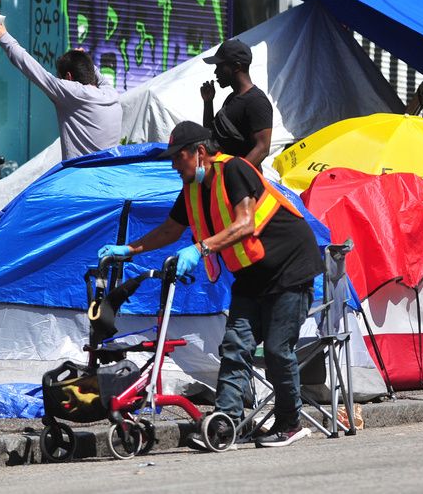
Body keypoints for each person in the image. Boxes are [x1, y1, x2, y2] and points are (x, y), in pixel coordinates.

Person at [99, 121, 322, 448]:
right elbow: (170, 231)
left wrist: (200, 248)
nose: (175, 165)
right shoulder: (192, 188)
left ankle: (290, 423)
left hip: (289, 268)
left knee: (276, 349)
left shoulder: (234, 170)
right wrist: (129, 251)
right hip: (251, 276)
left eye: (179, 157)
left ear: (200, 152)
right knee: (234, 346)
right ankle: (225, 426)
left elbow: (245, 223)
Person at [0, 12, 122, 159]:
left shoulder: (73, 93)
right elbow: (96, 75)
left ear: (68, 77)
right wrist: (81, 59)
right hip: (110, 177)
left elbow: (32, 68)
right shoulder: (111, 94)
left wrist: (3, 37)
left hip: (82, 178)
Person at [200, 39, 272, 168]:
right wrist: (208, 102)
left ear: (237, 67)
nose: (216, 72)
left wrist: (234, 175)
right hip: (221, 180)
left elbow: (262, 148)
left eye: (220, 66)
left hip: (242, 186)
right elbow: (211, 137)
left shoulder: (257, 101)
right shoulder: (231, 99)